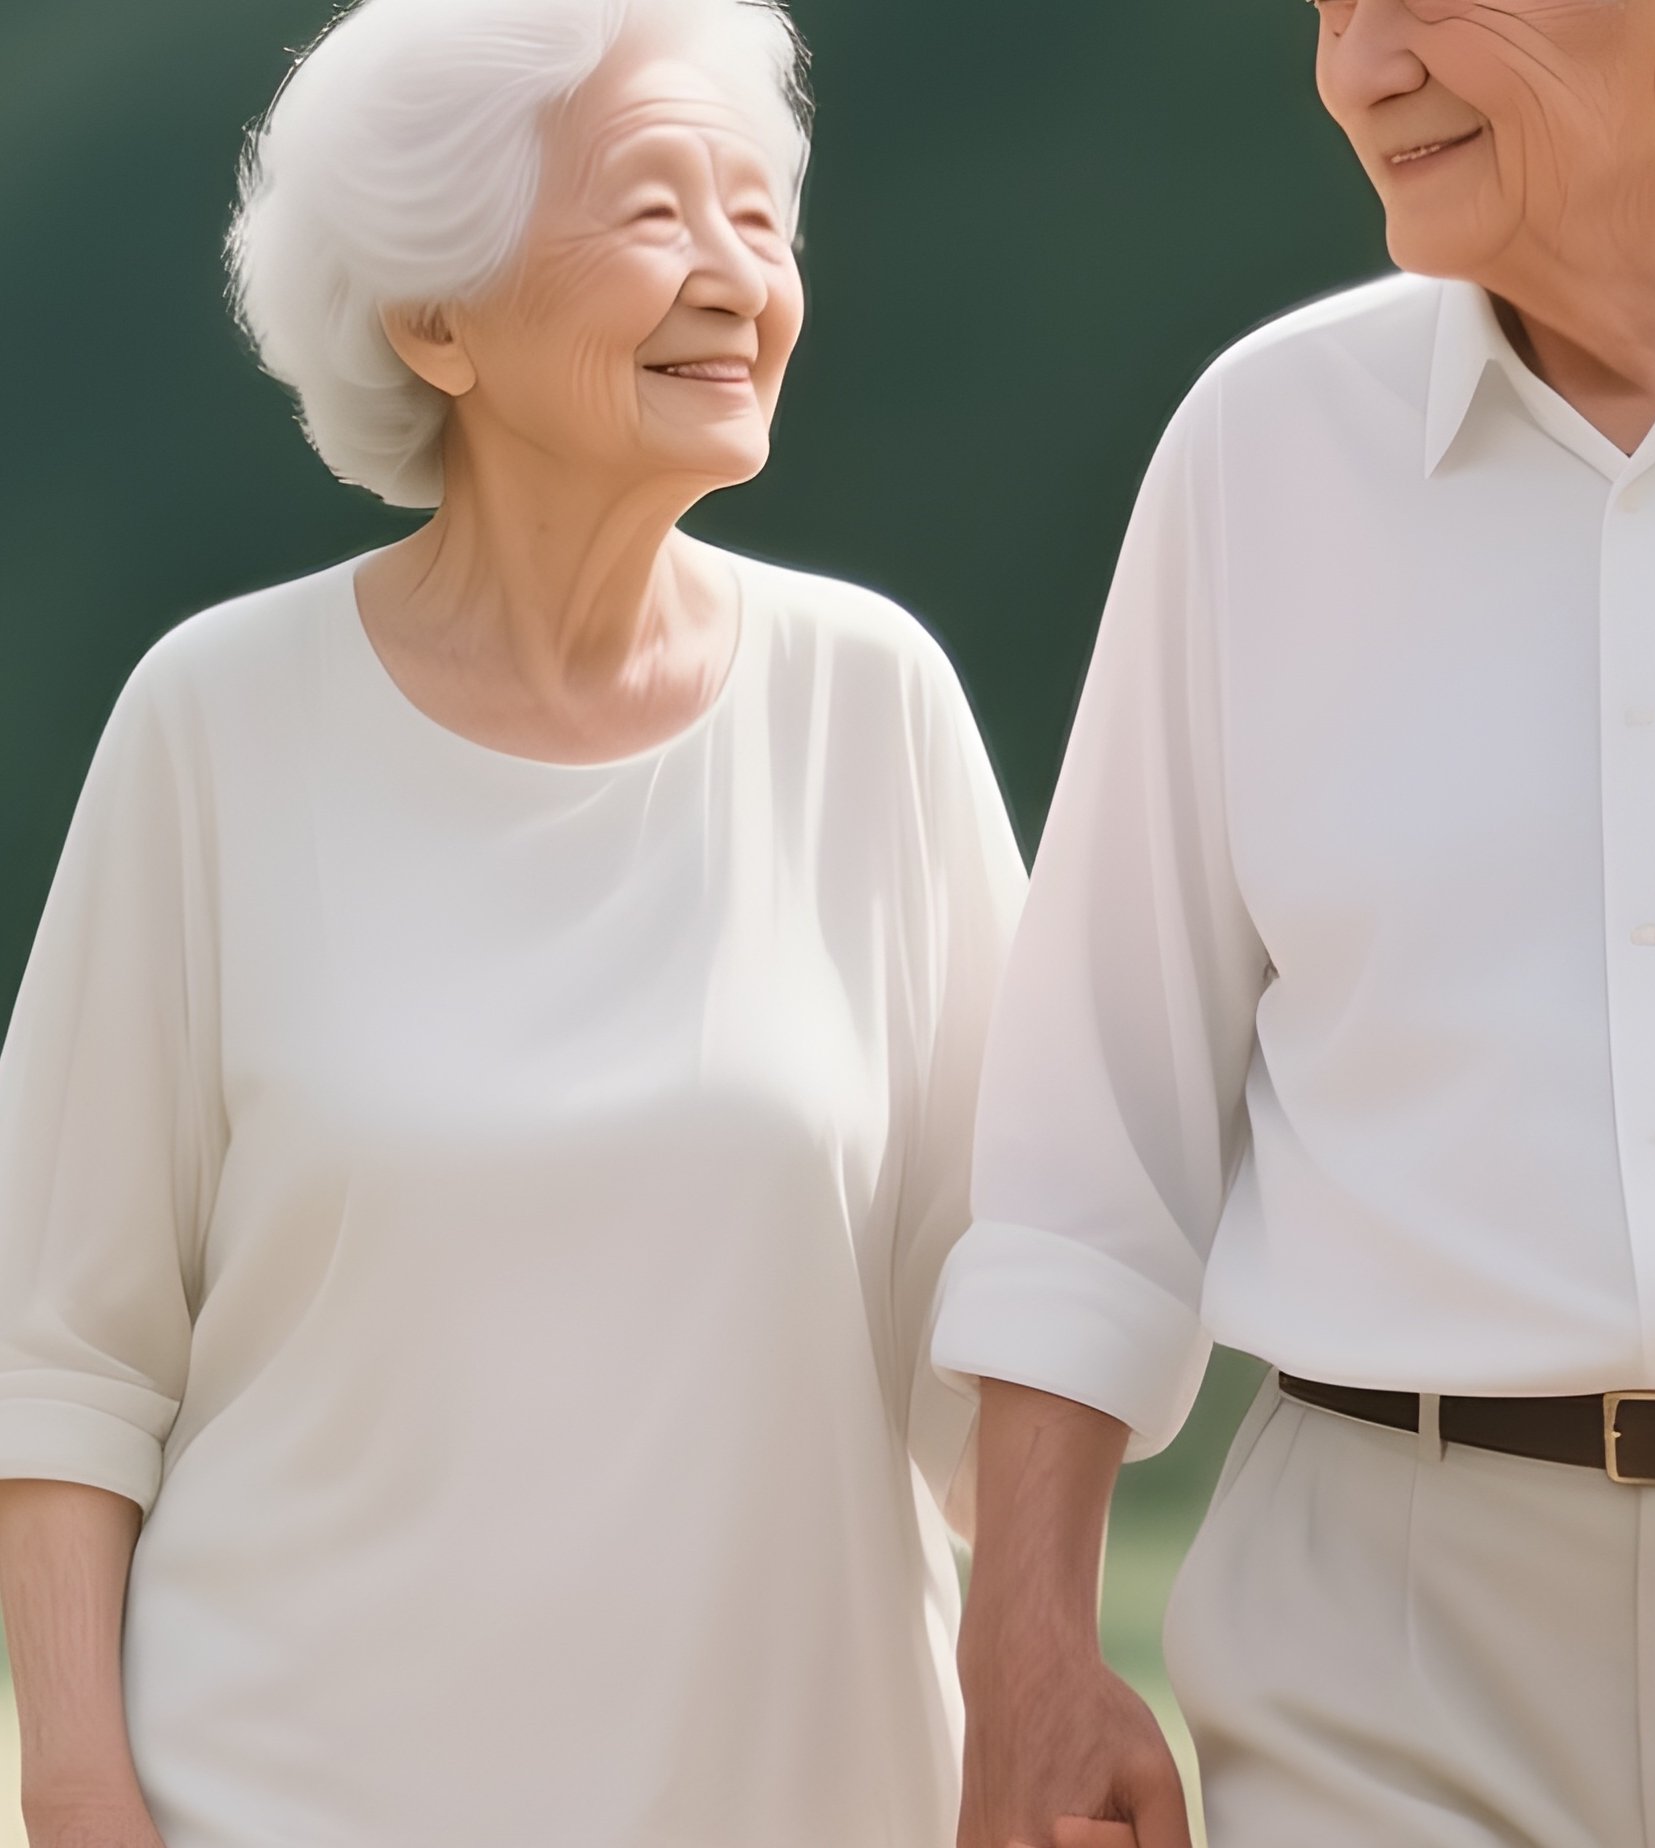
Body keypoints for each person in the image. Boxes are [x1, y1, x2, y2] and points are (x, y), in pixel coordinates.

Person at [0, 2, 1025, 1843]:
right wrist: (76, 1783)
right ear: (433, 317)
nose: (737, 278)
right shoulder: (213, 721)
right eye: (653, 215)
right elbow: (59, 1357)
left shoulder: (873, 708)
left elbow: (1022, 1334)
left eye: (762, 220)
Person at [930, 0, 1655, 1841]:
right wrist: (1022, 1656)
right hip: (1385, 1630)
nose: (1358, 69)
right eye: (1337, 7)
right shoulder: (1260, 458)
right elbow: (1087, 1155)